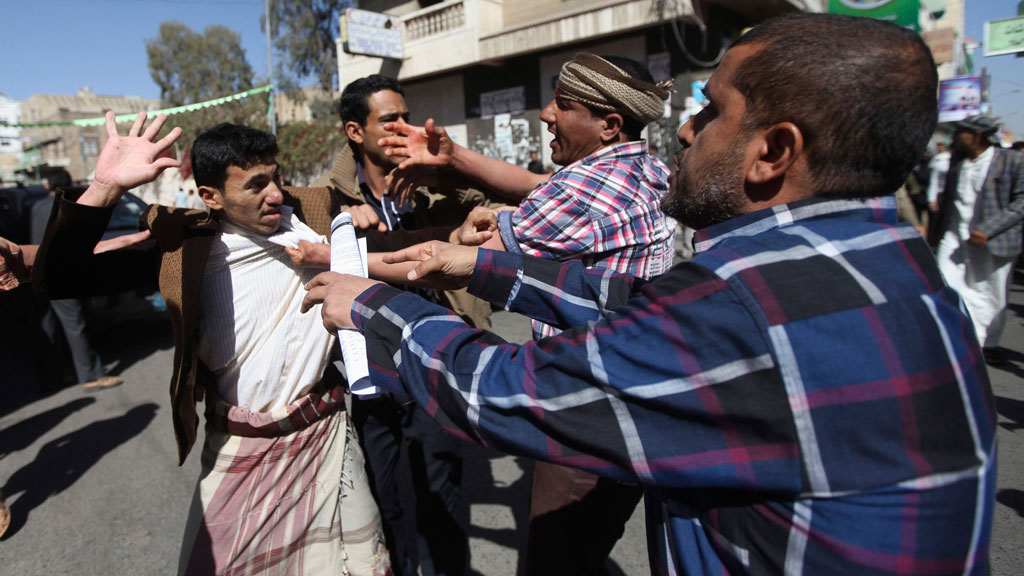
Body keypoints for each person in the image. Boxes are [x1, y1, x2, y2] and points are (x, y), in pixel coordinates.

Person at [303, 13, 996, 575]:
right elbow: (633, 297)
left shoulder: (742, 308)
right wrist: (484, 270)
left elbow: (499, 389)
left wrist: (372, 304)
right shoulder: (905, 270)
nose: (685, 129)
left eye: (713, 111)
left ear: (774, 151)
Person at [28, 114, 390, 575]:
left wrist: (454, 238)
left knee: (356, 563)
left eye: (275, 178)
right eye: (256, 185)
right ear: (210, 196)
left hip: (324, 437)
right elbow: (58, 277)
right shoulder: (185, 251)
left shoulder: (312, 224)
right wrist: (104, 187)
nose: (275, 194)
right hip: (240, 449)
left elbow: (402, 247)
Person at [382, 53, 677, 575]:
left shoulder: (577, 194)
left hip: (583, 415)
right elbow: (538, 187)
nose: (545, 113)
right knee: (587, 547)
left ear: (608, 124)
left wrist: (334, 260)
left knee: (553, 561)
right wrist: (456, 159)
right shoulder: (645, 167)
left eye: (563, 104)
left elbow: (455, 257)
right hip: (637, 400)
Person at [928, 115, 1024, 366]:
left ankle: (987, 343)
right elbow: (947, 197)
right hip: (955, 236)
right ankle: (957, 336)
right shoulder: (957, 161)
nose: (954, 137)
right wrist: (936, 230)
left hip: (995, 239)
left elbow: (1021, 201)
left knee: (992, 293)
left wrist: (989, 229)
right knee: (946, 283)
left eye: (959, 132)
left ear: (976, 136)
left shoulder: (1012, 160)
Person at [31, 169, 122, 391]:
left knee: (48, 326)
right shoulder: (69, 207)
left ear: (46, 186)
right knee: (74, 325)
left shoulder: (34, 207)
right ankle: (90, 374)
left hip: (34, 273)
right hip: (59, 274)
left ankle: (53, 377)